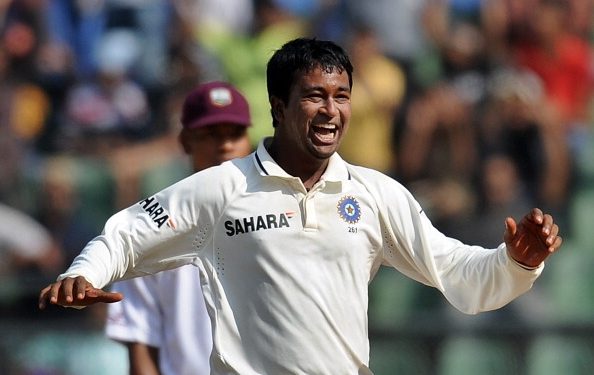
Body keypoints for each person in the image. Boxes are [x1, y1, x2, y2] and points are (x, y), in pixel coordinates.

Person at [39, 37, 562, 374]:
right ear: (279, 106)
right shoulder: (224, 187)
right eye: (315, 96)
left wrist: (517, 260)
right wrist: (85, 271)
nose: (331, 111)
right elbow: (128, 232)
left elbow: (457, 273)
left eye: (342, 96)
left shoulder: (374, 193)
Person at [104, 81, 253, 375]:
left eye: (235, 133)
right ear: (185, 141)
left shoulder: (280, 217)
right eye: (210, 134)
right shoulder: (149, 228)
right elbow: (141, 343)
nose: (225, 145)